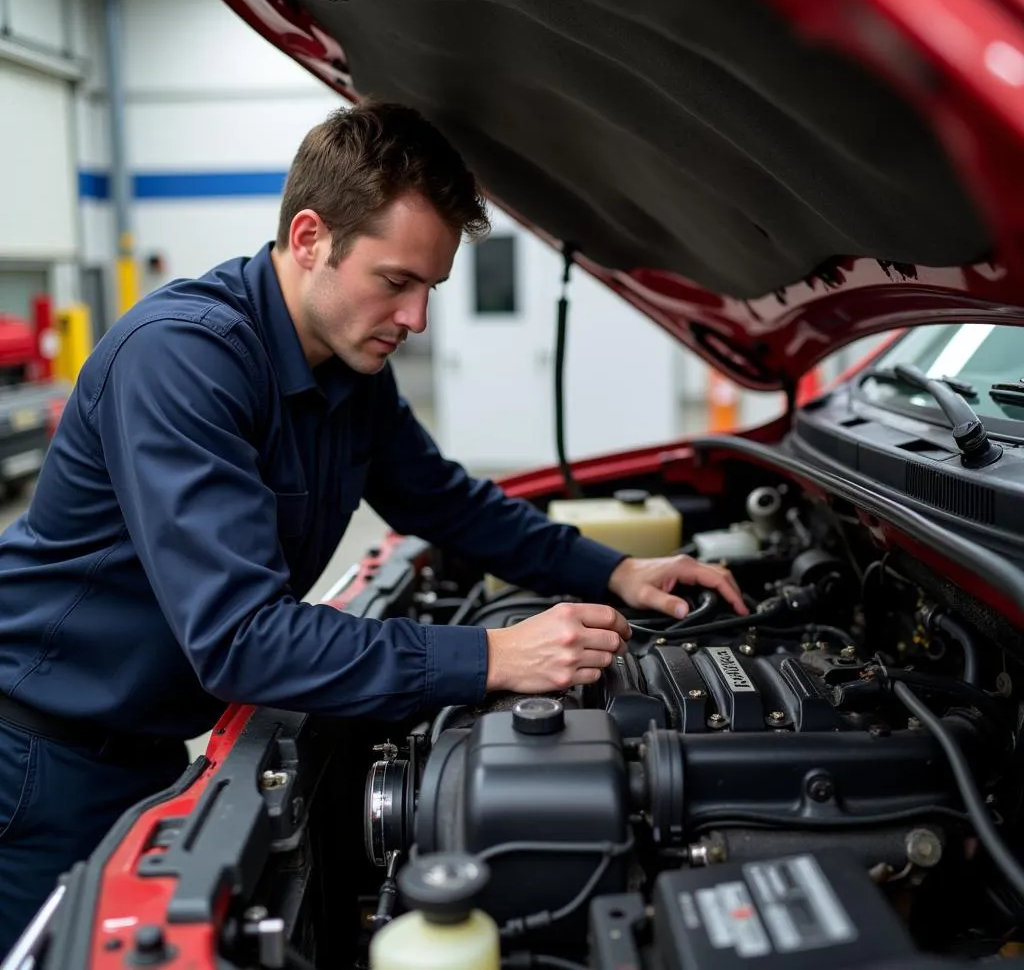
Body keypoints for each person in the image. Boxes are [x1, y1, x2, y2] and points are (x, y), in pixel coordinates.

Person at [0, 99, 745, 954]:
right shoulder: (183, 362)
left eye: (429, 287)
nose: (416, 319)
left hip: (141, 749)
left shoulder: (346, 368)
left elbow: (446, 501)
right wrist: (492, 657)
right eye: (395, 281)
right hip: (36, 760)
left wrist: (615, 573)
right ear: (311, 236)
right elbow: (243, 639)